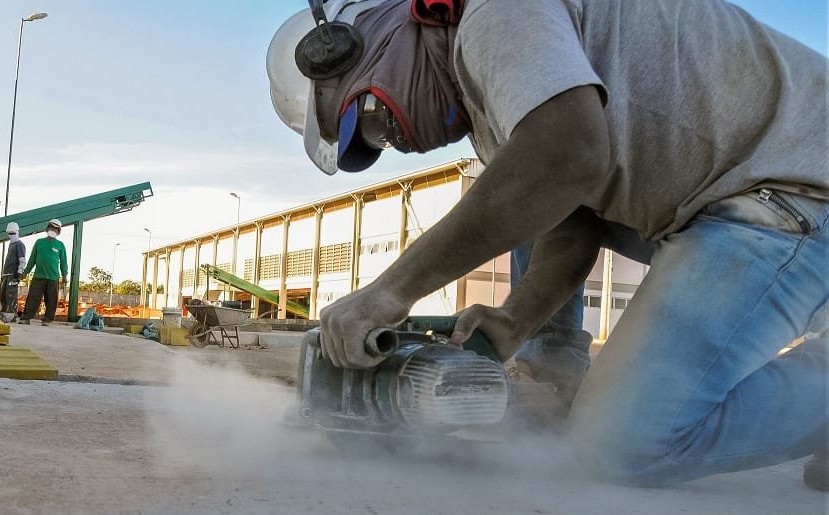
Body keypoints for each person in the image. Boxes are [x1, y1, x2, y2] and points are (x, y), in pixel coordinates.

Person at [267, 0, 828, 489]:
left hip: (797, 190)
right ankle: (555, 377)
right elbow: (571, 215)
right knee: (518, 184)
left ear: (364, 39)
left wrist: (390, 291)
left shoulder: (495, 12)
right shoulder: (493, 106)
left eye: (369, 119)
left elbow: (565, 156)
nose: (396, 141)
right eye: (374, 144)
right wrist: (516, 320)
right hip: (746, 194)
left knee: (624, 444)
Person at [18, 219, 68, 326]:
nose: (52, 230)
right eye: (51, 227)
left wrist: (64, 275)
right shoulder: (39, 242)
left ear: (58, 231)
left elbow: (63, 262)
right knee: (33, 297)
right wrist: (26, 272)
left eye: (55, 229)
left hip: (53, 277)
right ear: (47, 229)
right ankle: (26, 318)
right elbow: (32, 259)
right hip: (38, 276)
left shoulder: (60, 245)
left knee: (51, 300)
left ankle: (47, 320)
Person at [0, 222, 26, 321]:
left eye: (13, 233)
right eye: (9, 233)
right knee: (3, 296)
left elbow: (22, 260)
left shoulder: (19, 244)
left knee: (11, 296)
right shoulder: (11, 244)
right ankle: (4, 314)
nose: (11, 235)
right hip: (6, 274)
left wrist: (19, 272)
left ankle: (12, 316)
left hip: (13, 275)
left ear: (17, 232)